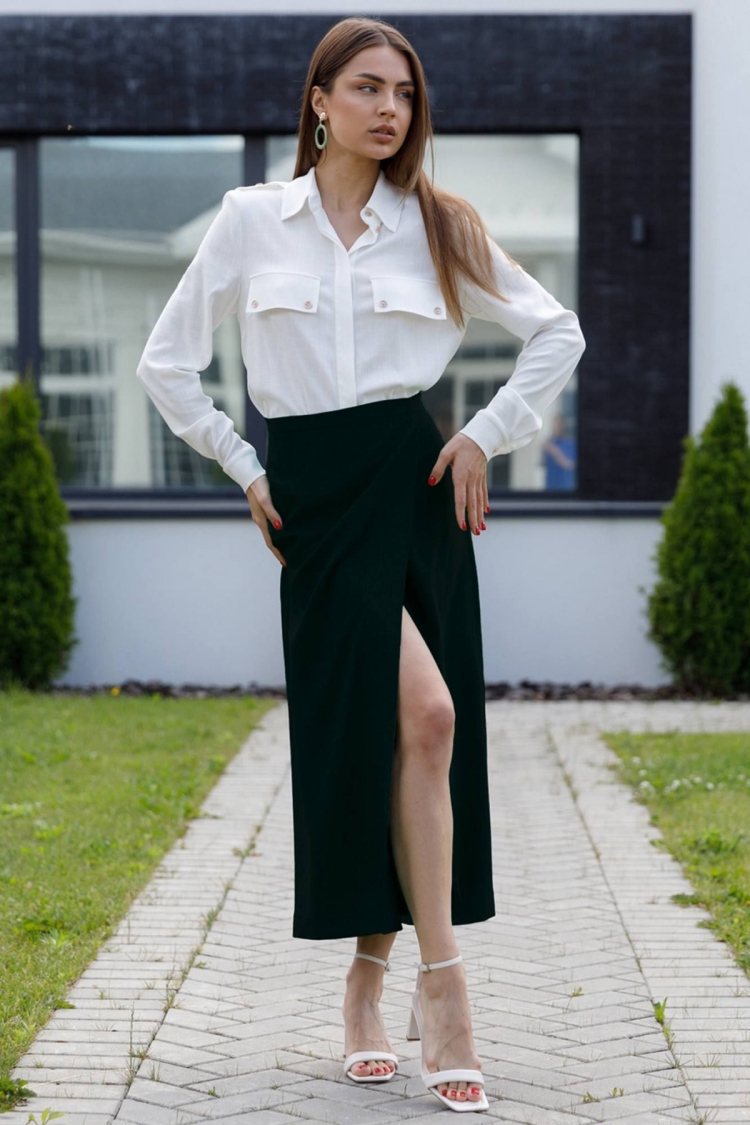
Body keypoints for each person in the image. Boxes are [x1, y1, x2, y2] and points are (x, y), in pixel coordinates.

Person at [136, 16, 586, 1113]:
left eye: (405, 93)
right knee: (409, 721)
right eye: (369, 88)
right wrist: (246, 465)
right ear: (319, 101)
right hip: (317, 501)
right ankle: (440, 988)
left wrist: (483, 434)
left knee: (420, 728)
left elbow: (557, 331)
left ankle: (385, 983)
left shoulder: (438, 223)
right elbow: (166, 363)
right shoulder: (251, 220)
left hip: (415, 481)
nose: (390, 109)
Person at [542, 413, 577, 490]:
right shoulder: (550, 442)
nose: (556, 427)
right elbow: (543, 463)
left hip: (565, 486)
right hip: (550, 486)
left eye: (559, 424)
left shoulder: (571, 443)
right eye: (555, 424)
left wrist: (555, 451)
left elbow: (570, 465)